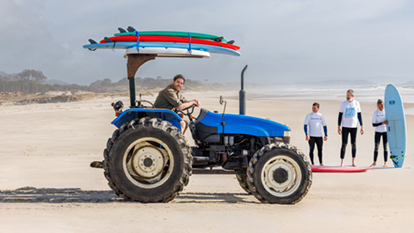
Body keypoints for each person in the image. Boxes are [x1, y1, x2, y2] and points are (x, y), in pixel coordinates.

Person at [338, 89, 364, 167]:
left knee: (353, 144)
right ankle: (342, 162)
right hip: (345, 126)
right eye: (346, 95)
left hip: (354, 126)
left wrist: (362, 126)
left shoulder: (356, 103)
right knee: (344, 144)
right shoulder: (343, 104)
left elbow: (359, 115)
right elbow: (340, 115)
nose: (347, 96)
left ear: (352, 96)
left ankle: (353, 161)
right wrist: (339, 126)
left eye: (348, 95)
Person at [371, 99, 389, 167]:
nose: (381, 108)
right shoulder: (375, 113)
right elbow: (373, 124)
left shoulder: (386, 112)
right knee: (376, 147)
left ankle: (385, 162)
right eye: (379, 106)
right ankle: (374, 162)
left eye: (382, 106)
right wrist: (382, 123)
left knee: (385, 147)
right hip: (378, 131)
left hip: (385, 131)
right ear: (377, 106)